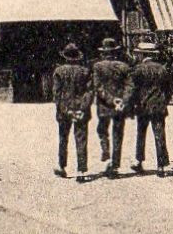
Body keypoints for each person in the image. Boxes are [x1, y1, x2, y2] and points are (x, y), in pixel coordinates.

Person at [125, 40, 173, 175]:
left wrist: (131, 104)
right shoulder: (162, 69)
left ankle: (139, 161)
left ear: (142, 55)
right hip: (158, 106)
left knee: (141, 133)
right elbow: (169, 89)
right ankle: (161, 166)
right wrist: (164, 101)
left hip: (143, 106)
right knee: (160, 134)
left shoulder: (138, 69)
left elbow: (132, 89)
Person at [90, 38, 132, 176]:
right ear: (115, 52)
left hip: (104, 105)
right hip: (119, 106)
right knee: (118, 134)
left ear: (103, 52)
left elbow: (98, 87)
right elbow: (130, 86)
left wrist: (110, 100)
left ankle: (106, 151)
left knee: (102, 129)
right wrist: (122, 101)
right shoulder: (124, 66)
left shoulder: (97, 67)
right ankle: (115, 164)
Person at [52, 42, 93, 179]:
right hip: (81, 110)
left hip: (64, 111)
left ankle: (61, 165)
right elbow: (89, 92)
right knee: (81, 138)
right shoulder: (85, 71)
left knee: (63, 138)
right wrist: (82, 108)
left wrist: (65, 109)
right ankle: (81, 170)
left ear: (65, 57)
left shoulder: (59, 72)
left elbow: (56, 94)